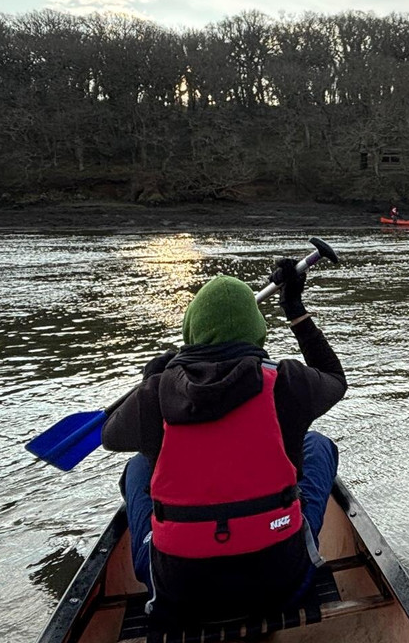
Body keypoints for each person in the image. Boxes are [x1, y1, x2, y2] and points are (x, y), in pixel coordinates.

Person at [100, 260, 345, 624]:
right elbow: (334, 378)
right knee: (317, 444)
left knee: (137, 465)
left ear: (190, 331)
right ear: (258, 333)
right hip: (282, 585)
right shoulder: (289, 383)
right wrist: (294, 308)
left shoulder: (155, 394)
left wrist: (151, 379)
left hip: (179, 595)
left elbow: (109, 436)